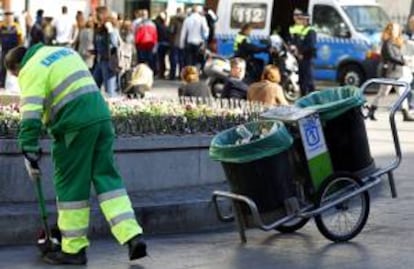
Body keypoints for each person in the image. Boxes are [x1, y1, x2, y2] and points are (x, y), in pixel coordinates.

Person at [5, 43, 147, 264]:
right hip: (101, 118)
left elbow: (30, 112)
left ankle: (74, 250)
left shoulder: (30, 68)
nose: (18, 79)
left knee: (72, 187)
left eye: (15, 75)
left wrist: (29, 147)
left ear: (17, 66)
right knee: (109, 181)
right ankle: (132, 235)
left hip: (74, 128)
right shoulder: (63, 52)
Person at [368, 22, 414, 121]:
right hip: (390, 72)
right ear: (390, 31)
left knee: (401, 92)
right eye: (395, 30)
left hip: (397, 71)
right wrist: (403, 61)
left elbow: (399, 55)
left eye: (397, 30)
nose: (397, 32)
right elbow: (390, 56)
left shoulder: (396, 42)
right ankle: (371, 110)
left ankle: (405, 114)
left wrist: (405, 60)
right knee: (383, 93)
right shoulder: (387, 42)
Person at [93, 6, 119, 98]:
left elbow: (115, 43)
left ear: (101, 15)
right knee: (93, 86)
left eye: (96, 14)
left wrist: (110, 30)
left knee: (110, 91)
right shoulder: (99, 28)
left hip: (109, 62)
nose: (94, 16)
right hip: (100, 62)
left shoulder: (110, 26)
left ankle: (114, 110)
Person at [296, 12, 317, 96]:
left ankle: (313, 98)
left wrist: (302, 53)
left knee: (308, 80)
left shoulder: (311, 30)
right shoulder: (303, 29)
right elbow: (301, 43)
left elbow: (310, 45)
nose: (301, 21)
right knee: (302, 80)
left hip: (307, 58)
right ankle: (303, 97)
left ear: (307, 20)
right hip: (302, 58)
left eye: (303, 19)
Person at [0, 11, 23, 87]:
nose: (8, 18)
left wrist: (20, 47)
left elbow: (20, 38)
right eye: (6, 16)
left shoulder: (16, 26)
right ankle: (2, 83)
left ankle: (18, 83)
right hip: (4, 49)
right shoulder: (1, 26)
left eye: (10, 16)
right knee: (3, 66)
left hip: (14, 50)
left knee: (15, 66)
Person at [168, 8, 185, 80]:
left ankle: (172, 75)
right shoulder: (186, 19)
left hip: (174, 42)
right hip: (183, 42)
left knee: (173, 59)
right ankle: (181, 76)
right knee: (182, 60)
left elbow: (171, 30)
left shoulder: (173, 19)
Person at [155, 11, 170, 79]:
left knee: (160, 59)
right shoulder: (166, 26)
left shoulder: (158, 26)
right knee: (163, 59)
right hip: (166, 44)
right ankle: (162, 72)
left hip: (161, 43)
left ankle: (161, 73)